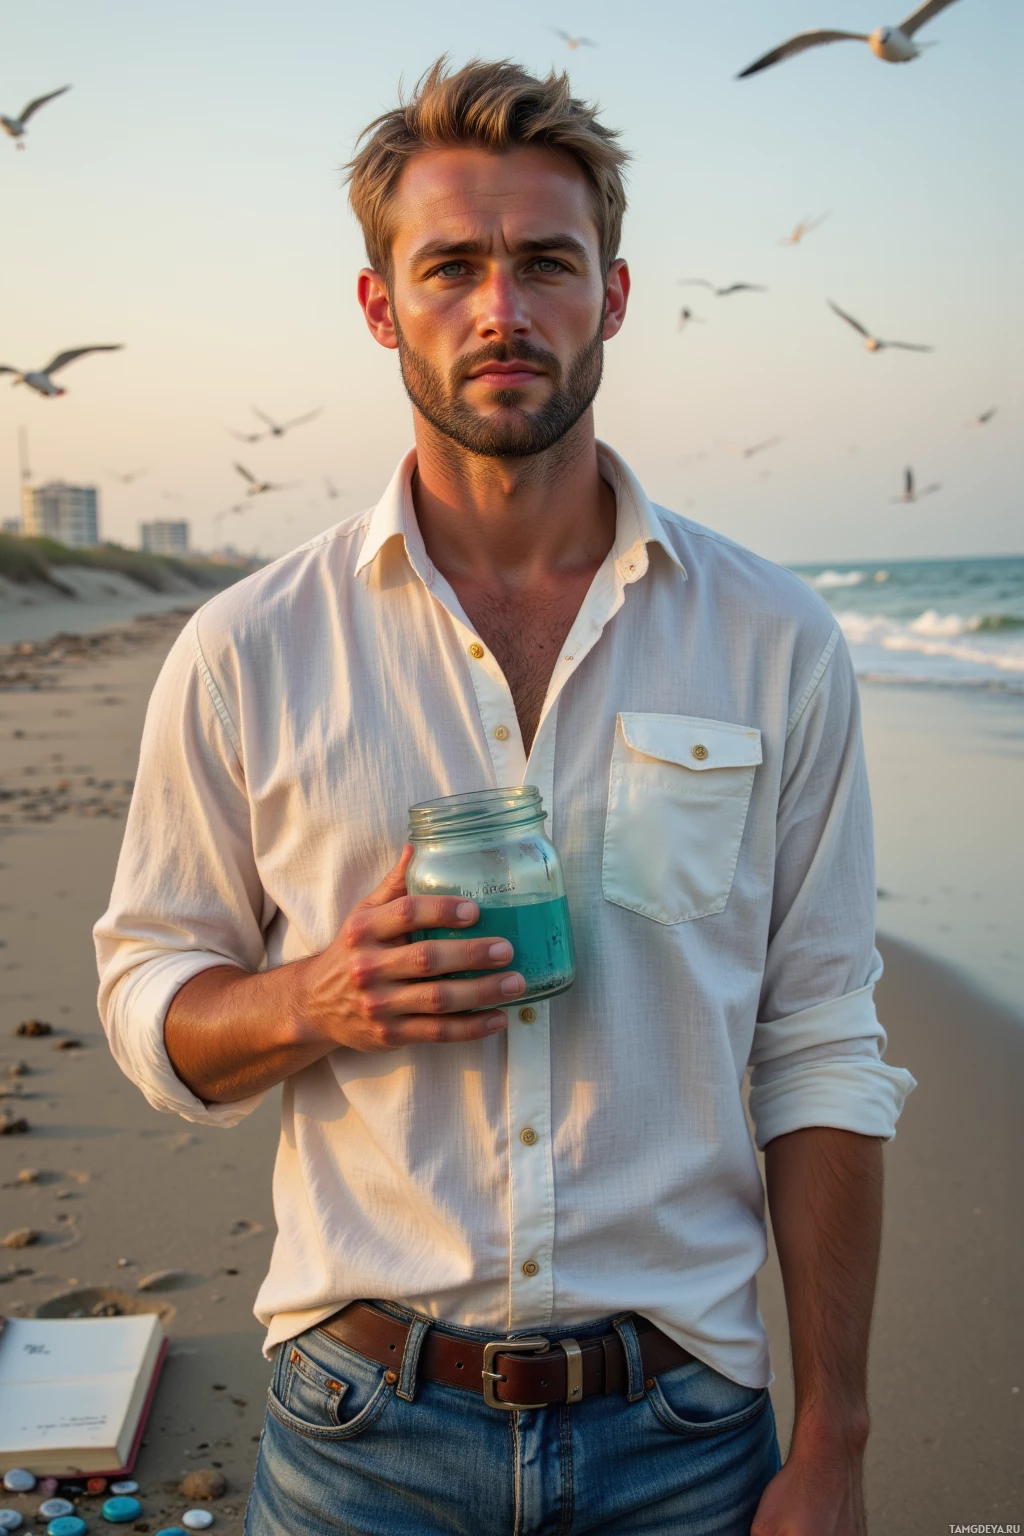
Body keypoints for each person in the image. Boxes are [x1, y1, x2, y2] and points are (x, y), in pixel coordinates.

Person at [94, 57, 916, 1536]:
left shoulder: (773, 637)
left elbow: (821, 1039)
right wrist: (313, 1001)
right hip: (360, 1435)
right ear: (377, 305)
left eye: (545, 263)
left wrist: (836, 1436)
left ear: (610, 293)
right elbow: (150, 993)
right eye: (451, 267)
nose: (502, 310)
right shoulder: (250, 650)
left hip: (685, 1429)